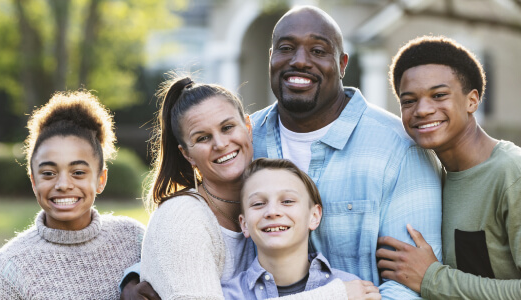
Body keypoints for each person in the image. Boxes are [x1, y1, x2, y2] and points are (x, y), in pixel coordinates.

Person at [249, 6, 443, 299]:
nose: (299, 61)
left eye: (318, 50)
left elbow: (409, 288)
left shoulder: (398, 149)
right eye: (286, 48)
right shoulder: (244, 141)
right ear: (271, 58)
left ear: (342, 64)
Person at [137, 76, 373, 300]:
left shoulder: (265, 196)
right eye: (203, 138)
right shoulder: (181, 217)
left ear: (248, 127)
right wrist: (336, 295)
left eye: (228, 127)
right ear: (186, 154)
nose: (220, 144)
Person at [376, 35, 521, 299]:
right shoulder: (429, 175)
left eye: (438, 95)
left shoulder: (513, 174)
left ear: (472, 100)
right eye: (409, 101)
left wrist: (432, 279)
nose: (422, 110)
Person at [0, 91, 145, 299]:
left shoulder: (134, 240)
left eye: (78, 173)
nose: (63, 185)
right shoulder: (6, 271)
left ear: (100, 180)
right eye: (48, 173)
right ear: (34, 182)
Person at [222, 158, 380, 300]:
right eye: (258, 203)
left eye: (288, 201)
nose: (272, 212)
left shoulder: (355, 290)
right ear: (244, 224)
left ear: (314, 216)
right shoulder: (227, 295)